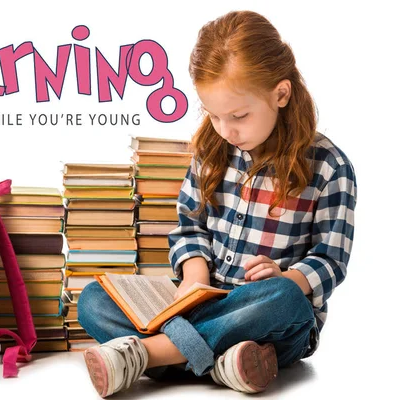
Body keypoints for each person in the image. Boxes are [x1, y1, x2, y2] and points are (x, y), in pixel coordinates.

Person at [77, 9, 357, 398]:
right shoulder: (212, 149)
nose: (225, 131)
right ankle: (226, 364)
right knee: (92, 300)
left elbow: (330, 261)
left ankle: (150, 354)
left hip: (265, 315)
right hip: (200, 302)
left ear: (281, 93)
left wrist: (285, 275)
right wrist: (194, 277)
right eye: (213, 116)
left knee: (286, 300)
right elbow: (189, 227)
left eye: (238, 116)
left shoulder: (330, 166)